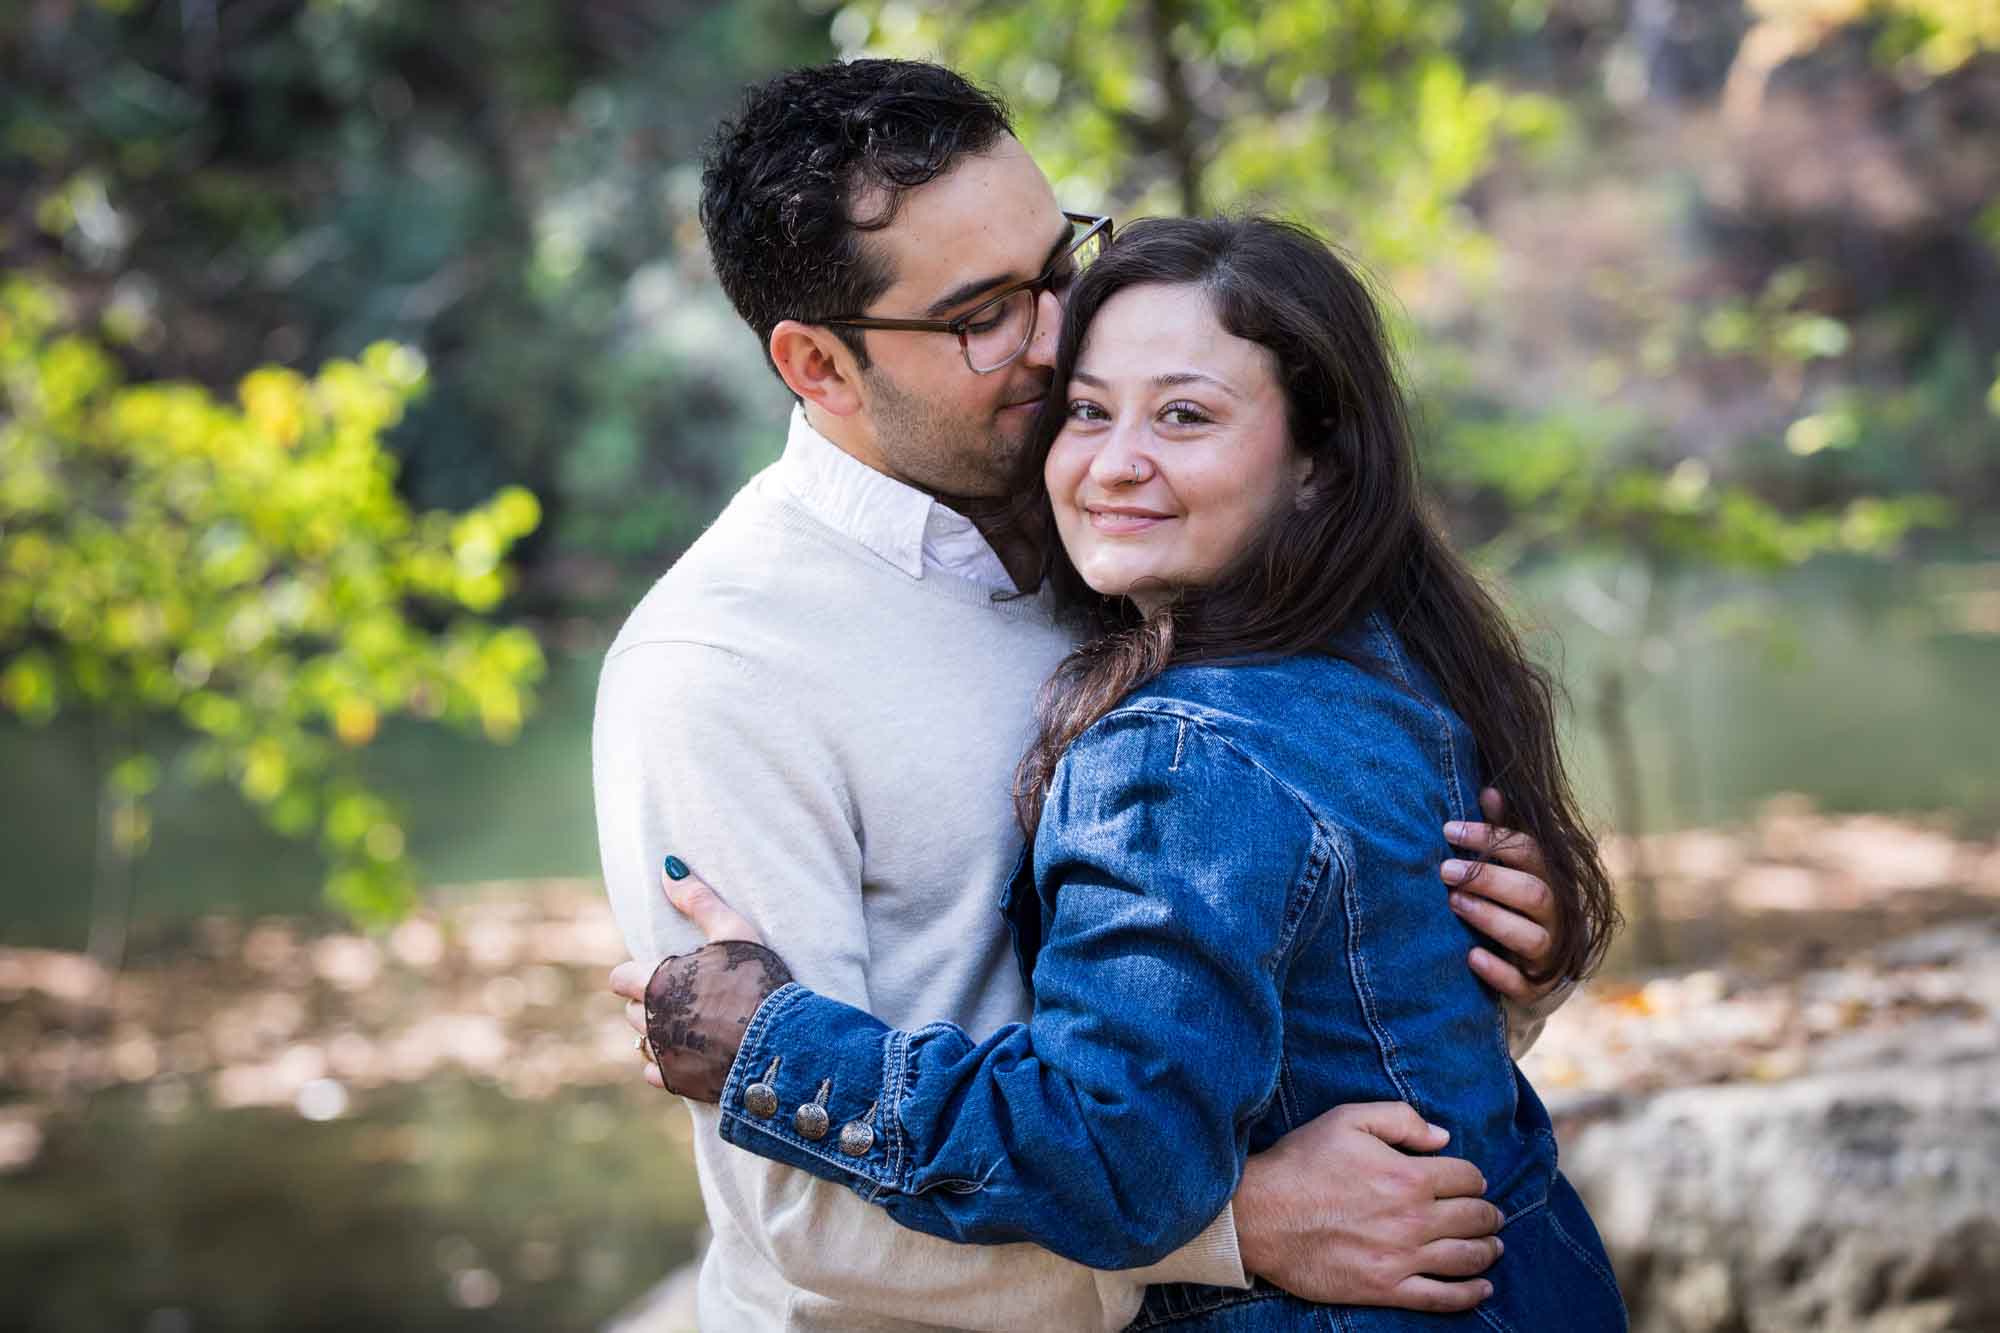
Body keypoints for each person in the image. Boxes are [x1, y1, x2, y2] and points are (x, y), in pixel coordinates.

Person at [596, 61, 1578, 1333]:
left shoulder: (1149, 547)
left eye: (1059, 264)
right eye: (983, 314)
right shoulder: (720, 669)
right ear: (818, 364)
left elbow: (1315, 962)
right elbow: (801, 1220)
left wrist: (1488, 950)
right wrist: (1235, 1227)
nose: (1059, 336)